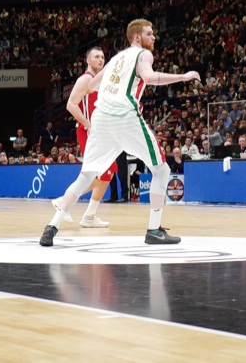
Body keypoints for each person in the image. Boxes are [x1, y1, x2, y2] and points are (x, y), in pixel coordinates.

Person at [40, 19, 200, 247]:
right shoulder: (143, 55)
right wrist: (183, 77)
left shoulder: (116, 58)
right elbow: (149, 77)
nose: (153, 37)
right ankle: (154, 230)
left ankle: (51, 227)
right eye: (149, 33)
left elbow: (93, 84)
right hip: (124, 117)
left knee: (86, 175)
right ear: (137, 37)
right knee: (162, 169)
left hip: (102, 118)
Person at [65, 47, 118, 228]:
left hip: (101, 132)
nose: (100, 59)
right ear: (88, 60)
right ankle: (65, 201)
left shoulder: (101, 81)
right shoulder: (86, 79)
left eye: (103, 57)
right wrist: (87, 124)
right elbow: (71, 104)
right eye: (96, 57)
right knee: (102, 171)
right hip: (89, 131)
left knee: (107, 172)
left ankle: (88, 215)